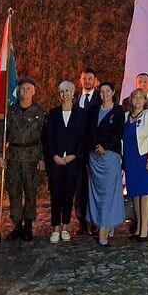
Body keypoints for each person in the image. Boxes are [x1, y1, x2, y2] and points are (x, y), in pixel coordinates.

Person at [0, 77, 46, 242]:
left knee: (31, 191)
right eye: (22, 89)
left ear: (33, 91)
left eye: (27, 89)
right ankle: (17, 225)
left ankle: (28, 226)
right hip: (13, 155)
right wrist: (1, 155)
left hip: (32, 156)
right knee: (14, 191)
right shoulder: (10, 112)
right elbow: (2, 134)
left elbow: (44, 137)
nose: (24, 92)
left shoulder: (40, 112)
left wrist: (42, 158)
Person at [43, 80, 87, 243]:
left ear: (73, 93)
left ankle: (66, 226)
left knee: (68, 194)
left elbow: (83, 138)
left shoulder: (81, 114)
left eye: (67, 91)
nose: (64, 94)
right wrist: (54, 156)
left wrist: (73, 155)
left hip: (72, 161)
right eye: (61, 91)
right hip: (55, 161)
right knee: (56, 194)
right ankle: (55, 227)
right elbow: (48, 138)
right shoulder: (53, 113)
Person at [86, 82, 125, 246]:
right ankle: (100, 223)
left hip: (110, 157)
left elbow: (118, 132)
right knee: (97, 194)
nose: (104, 94)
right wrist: (96, 146)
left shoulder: (118, 111)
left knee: (109, 194)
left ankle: (103, 230)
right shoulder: (93, 110)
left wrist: (106, 146)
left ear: (113, 92)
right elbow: (88, 131)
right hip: (95, 157)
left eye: (107, 91)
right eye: (102, 92)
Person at [123, 87, 148, 241]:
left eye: (141, 97)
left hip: (144, 158)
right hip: (131, 159)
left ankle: (145, 228)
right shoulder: (126, 116)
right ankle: (138, 227)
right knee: (135, 194)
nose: (137, 100)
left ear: (145, 101)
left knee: (145, 193)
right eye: (135, 97)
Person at [75, 67, 101, 234]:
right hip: (77, 150)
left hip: (95, 149)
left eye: (90, 78)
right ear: (80, 80)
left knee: (95, 186)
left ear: (95, 80)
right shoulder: (74, 97)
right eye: (84, 78)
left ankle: (94, 221)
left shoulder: (102, 98)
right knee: (80, 187)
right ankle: (81, 222)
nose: (87, 81)